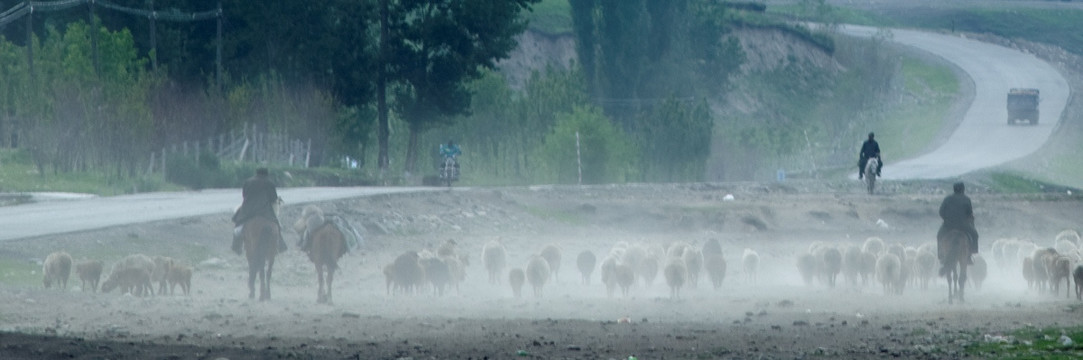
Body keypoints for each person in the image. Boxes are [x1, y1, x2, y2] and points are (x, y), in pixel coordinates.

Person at [231, 167, 288, 255]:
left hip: (248, 210)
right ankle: (280, 245)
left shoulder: (248, 181)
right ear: (266, 174)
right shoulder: (270, 183)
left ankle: (236, 246)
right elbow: (273, 199)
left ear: (256, 173)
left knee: (238, 225)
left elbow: (244, 195)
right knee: (277, 225)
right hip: (265, 211)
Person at [938, 182, 979, 274]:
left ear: (954, 189)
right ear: (963, 189)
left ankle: (941, 254)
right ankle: (971, 253)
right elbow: (969, 214)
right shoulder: (966, 199)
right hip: (964, 226)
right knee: (975, 235)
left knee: (939, 236)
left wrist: (946, 219)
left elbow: (941, 212)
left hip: (948, 225)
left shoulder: (947, 199)